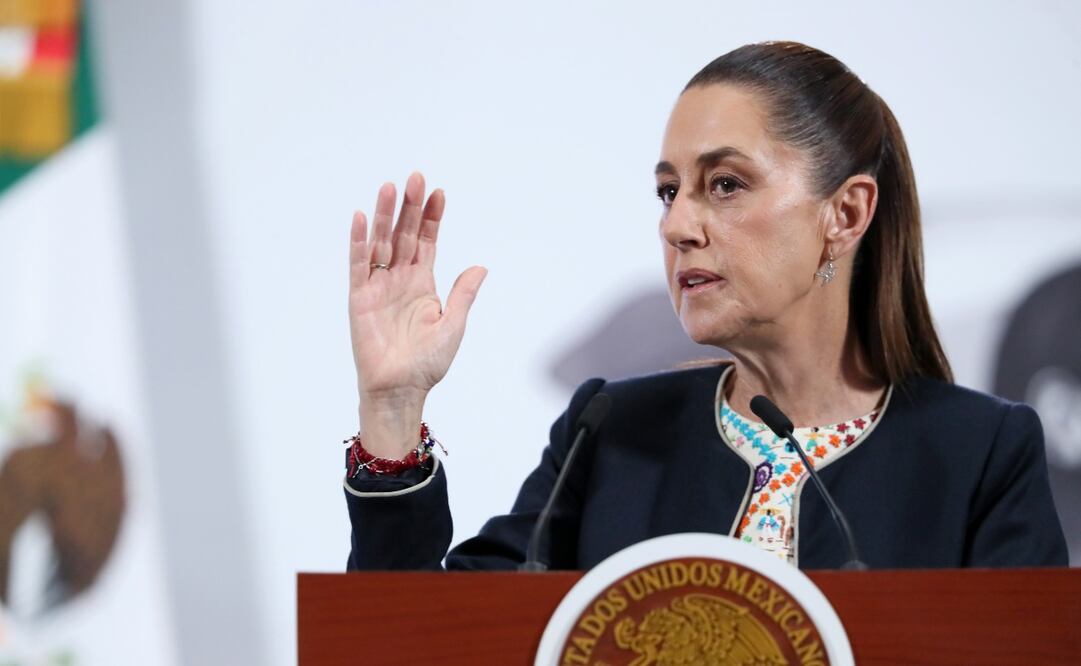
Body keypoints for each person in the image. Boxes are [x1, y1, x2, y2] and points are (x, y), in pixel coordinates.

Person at [342, 41, 1068, 571]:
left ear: (844, 214)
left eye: (724, 184)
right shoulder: (609, 434)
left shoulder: (980, 453)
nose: (677, 226)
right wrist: (392, 410)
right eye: (669, 191)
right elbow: (422, 642)